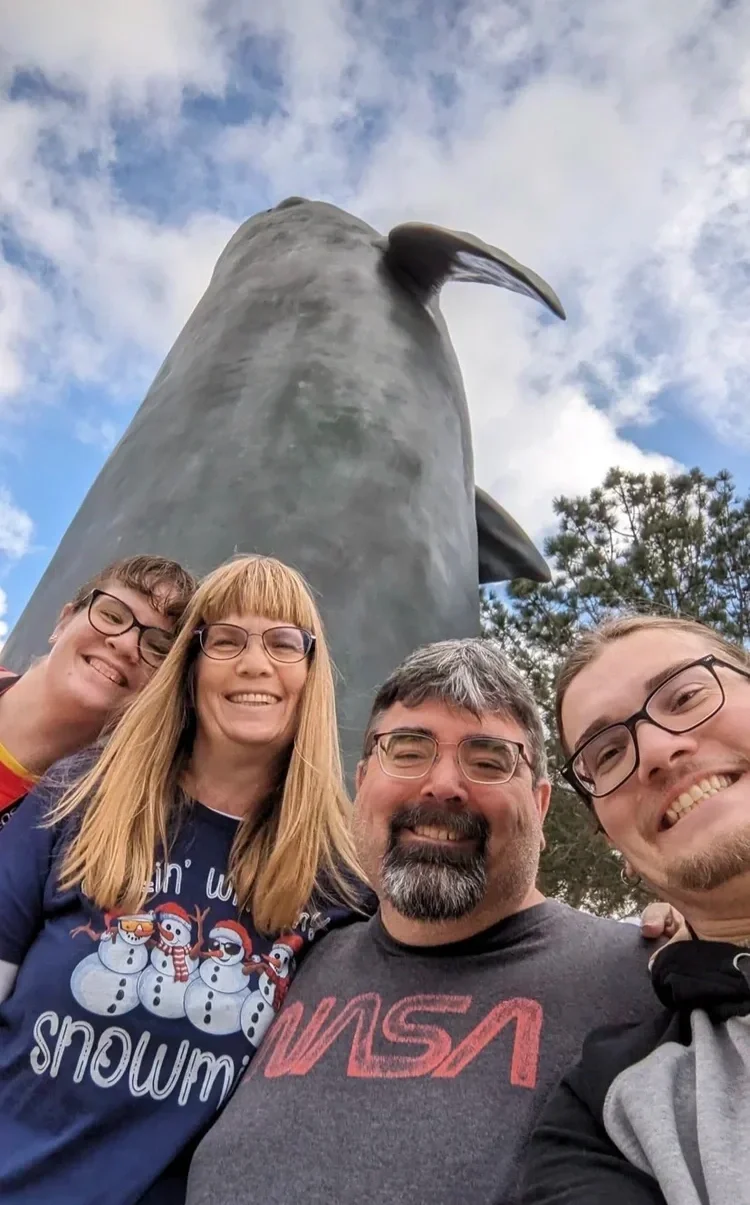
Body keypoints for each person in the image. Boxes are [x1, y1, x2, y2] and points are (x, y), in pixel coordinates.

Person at [186, 637, 674, 1205]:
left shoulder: (650, 977)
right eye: (409, 750)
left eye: (489, 759)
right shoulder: (290, 960)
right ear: (363, 780)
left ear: (539, 806)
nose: (443, 784)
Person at [0, 554, 364, 1205]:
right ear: (191, 666)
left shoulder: (336, 889)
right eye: (226, 639)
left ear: (311, 671)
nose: (255, 663)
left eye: (284, 642)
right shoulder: (75, 798)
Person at [522, 613, 750, 1205]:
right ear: (616, 847)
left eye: (687, 695)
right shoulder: (609, 1114)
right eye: (608, 752)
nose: (656, 750)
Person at [0, 554, 196, 826]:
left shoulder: (94, 829)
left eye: (158, 647)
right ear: (64, 621)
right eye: (112, 616)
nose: (127, 645)